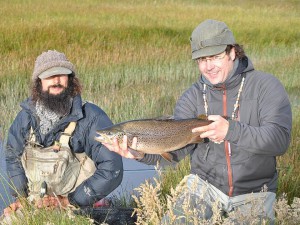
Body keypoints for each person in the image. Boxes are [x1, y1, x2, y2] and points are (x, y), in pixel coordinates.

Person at [103, 19, 292, 223]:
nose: (208, 66)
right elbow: (173, 153)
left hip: (256, 192)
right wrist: (137, 154)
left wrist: (231, 131)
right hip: (203, 186)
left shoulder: (266, 86)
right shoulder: (191, 97)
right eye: (202, 60)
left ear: (232, 52)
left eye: (215, 57)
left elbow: (279, 141)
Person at [3, 50, 123, 215]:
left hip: (77, 207)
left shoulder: (91, 117)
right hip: (35, 204)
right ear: (38, 82)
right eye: (49, 76)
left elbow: (112, 168)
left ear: (70, 79)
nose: (56, 80)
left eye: (62, 74)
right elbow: (12, 156)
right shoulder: (25, 117)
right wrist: (21, 198)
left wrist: (70, 201)